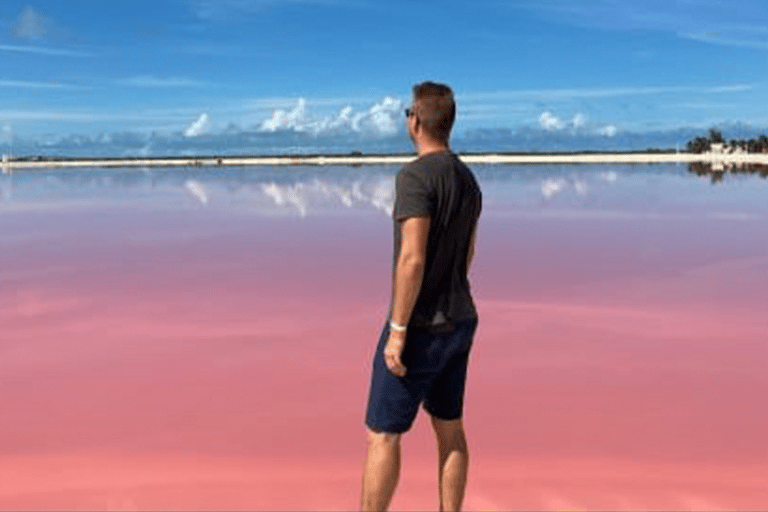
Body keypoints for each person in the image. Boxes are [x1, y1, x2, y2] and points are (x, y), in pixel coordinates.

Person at [360, 82, 482, 512]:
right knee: (450, 428)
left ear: (415, 121)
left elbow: (411, 258)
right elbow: (467, 254)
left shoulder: (414, 176)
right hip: (461, 319)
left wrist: (398, 331)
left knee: (383, 433)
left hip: (421, 327)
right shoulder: (467, 179)